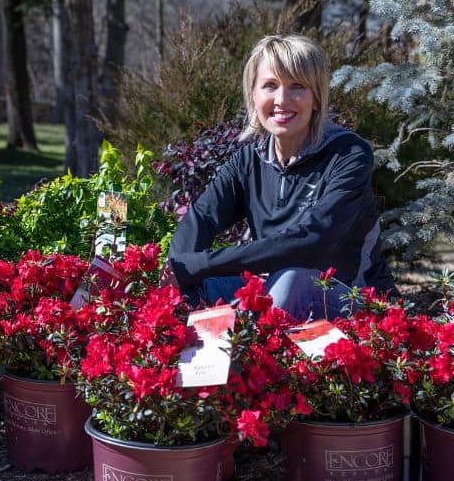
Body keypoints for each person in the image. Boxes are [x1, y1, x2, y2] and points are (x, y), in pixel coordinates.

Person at [161, 34, 397, 321]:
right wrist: (180, 270)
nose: (281, 100)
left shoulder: (349, 155)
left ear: (316, 98)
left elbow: (311, 243)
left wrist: (202, 264)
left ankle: (256, 359)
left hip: (351, 298)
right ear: (254, 95)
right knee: (187, 291)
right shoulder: (247, 160)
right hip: (274, 295)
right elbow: (202, 219)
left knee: (291, 281)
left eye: (297, 87)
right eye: (270, 86)